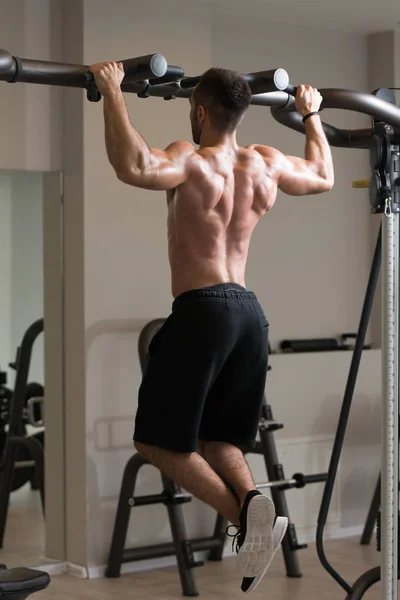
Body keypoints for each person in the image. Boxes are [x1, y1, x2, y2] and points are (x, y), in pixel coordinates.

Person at [89, 61, 334, 592]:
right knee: (221, 442)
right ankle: (254, 506)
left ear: (199, 112)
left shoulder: (191, 159)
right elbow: (322, 176)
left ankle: (247, 520)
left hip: (202, 311)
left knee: (156, 442)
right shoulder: (264, 163)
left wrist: (112, 91)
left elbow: (132, 164)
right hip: (250, 314)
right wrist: (311, 117)